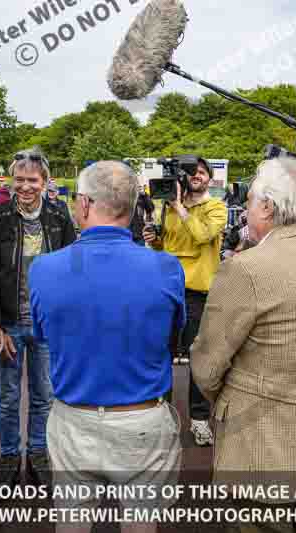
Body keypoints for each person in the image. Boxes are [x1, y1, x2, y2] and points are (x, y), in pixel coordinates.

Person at [191, 157, 296, 533]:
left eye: (251, 201)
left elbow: (206, 365)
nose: (248, 210)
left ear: (268, 206)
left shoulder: (248, 268)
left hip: (263, 449)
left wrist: (232, 400)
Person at [30, 161, 183, 533]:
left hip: (73, 417)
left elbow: (44, 333)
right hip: (141, 418)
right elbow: (173, 335)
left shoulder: (43, 268)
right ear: (132, 207)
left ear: (83, 204)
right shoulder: (166, 267)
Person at [0, 147, 76, 488]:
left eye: (32, 180)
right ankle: (8, 456)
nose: (25, 186)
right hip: (8, 325)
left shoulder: (60, 216)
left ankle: (37, 453)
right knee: (6, 396)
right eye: (19, 179)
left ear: (46, 182)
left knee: (44, 395)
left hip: (46, 325)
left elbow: (70, 270)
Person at [142, 155, 227, 446]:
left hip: (198, 292)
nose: (196, 176)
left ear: (209, 178)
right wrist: (153, 239)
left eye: (202, 172)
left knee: (199, 360)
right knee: (161, 354)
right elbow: (165, 246)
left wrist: (179, 207)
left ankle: (200, 420)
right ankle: (161, 416)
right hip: (165, 287)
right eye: (191, 172)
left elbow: (203, 235)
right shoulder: (167, 208)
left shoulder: (216, 207)